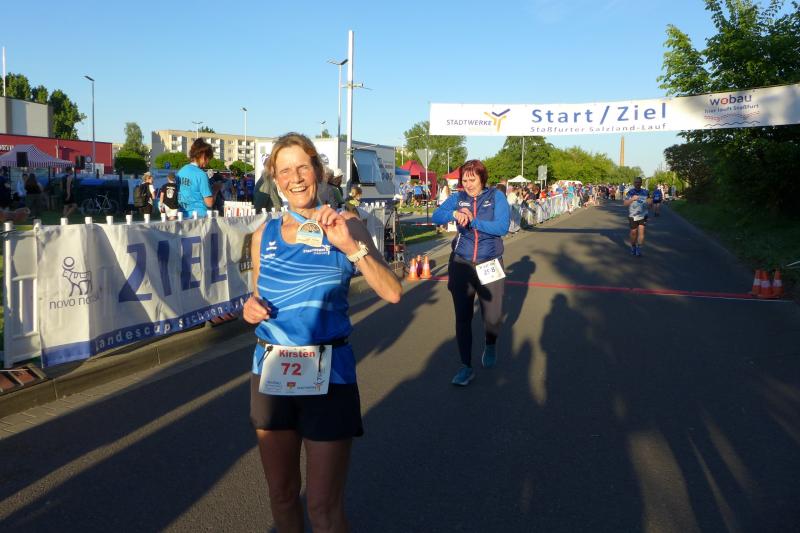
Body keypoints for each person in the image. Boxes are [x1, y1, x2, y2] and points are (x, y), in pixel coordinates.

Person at [241, 132, 401, 533]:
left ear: (317, 171)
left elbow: (392, 292)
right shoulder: (263, 235)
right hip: (271, 371)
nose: (295, 178)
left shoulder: (346, 224)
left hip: (330, 373)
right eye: (284, 171)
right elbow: (258, 296)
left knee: (322, 507)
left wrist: (350, 247)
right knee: (281, 495)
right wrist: (249, 309)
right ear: (275, 179)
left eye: (302, 167)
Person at [432, 160, 510, 386]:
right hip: (462, 263)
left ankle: (490, 343)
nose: (467, 184)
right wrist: (455, 213)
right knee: (463, 316)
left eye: (472, 179)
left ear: (482, 179)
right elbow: (436, 216)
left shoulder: (496, 197)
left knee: (492, 316)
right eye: (464, 179)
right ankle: (466, 366)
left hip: (490, 261)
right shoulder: (458, 198)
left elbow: (502, 227)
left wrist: (473, 221)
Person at [177, 139, 214, 218]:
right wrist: (216, 188)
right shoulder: (201, 175)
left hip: (182, 215)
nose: (208, 162)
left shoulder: (181, 171)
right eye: (208, 158)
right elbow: (209, 203)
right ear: (203, 156)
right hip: (199, 217)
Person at [624, 176, 652, 257]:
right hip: (633, 215)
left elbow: (650, 202)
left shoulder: (645, 192)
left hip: (643, 215)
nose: (637, 184)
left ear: (641, 183)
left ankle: (639, 248)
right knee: (633, 232)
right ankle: (633, 246)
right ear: (634, 183)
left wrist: (650, 203)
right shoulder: (630, 192)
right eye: (636, 182)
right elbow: (625, 204)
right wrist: (632, 199)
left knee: (641, 231)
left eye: (639, 182)